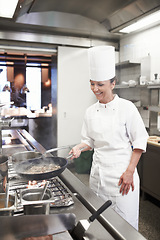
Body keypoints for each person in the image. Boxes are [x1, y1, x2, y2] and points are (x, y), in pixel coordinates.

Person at [69, 46, 148, 230]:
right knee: (101, 225)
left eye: (100, 84)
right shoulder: (90, 112)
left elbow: (139, 142)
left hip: (122, 179)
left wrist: (130, 172)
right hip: (98, 177)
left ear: (113, 83)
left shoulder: (127, 108)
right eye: (92, 83)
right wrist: (79, 148)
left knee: (124, 226)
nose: (95, 89)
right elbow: (88, 141)